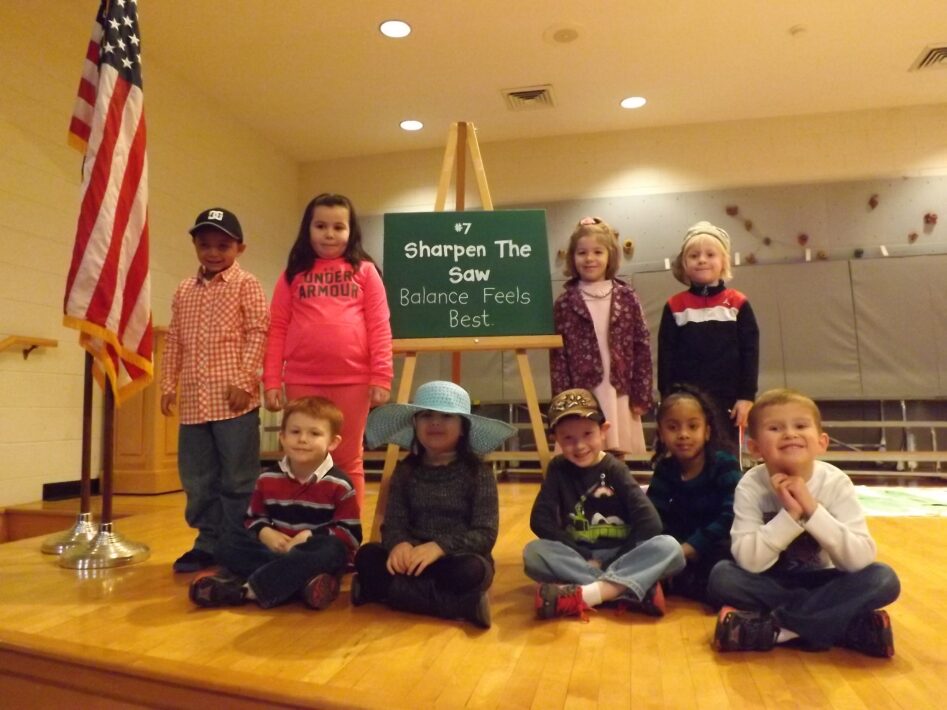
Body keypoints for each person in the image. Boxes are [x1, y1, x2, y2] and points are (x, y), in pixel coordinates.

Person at [707, 389, 900, 657]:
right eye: (775, 428)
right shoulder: (750, 486)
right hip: (772, 581)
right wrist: (791, 516)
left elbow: (859, 560)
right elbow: (749, 562)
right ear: (755, 447)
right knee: (722, 577)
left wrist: (812, 509)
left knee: (883, 578)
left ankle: (778, 629)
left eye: (800, 426)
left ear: (822, 442)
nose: (790, 434)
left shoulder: (836, 483)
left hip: (825, 582)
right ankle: (843, 625)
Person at [351, 381, 516, 629]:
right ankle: (461, 605)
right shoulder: (405, 470)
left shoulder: (478, 473)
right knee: (367, 556)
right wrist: (399, 544)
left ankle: (381, 592)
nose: (435, 423)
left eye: (446, 416)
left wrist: (440, 547)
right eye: (426, 415)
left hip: (453, 560)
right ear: (415, 424)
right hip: (411, 560)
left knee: (473, 571)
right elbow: (394, 522)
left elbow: (485, 534)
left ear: (463, 428)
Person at [263, 193, 393, 509]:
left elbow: (379, 325)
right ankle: (305, 523)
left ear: (351, 231)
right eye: (320, 226)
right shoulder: (292, 275)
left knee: (348, 459)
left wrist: (382, 376)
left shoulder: (366, 272)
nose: (329, 234)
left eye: (338, 227)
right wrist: (271, 380)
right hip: (302, 379)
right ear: (307, 229)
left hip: (354, 381)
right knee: (304, 456)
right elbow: (277, 328)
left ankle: (348, 529)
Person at [160, 207, 269, 573]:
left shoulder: (246, 284)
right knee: (197, 480)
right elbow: (174, 340)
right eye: (205, 244)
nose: (213, 252)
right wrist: (168, 384)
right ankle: (207, 543)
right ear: (194, 245)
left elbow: (259, 332)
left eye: (223, 245)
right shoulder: (183, 290)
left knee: (238, 478)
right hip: (194, 404)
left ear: (240, 248)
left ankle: (238, 543)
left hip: (234, 403)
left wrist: (244, 381)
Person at [524, 388, 685, 621]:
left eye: (587, 434)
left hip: (621, 554)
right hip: (580, 555)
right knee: (534, 554)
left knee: (670, 548)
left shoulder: (615, 469)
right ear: (555, 439)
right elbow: (540, 520)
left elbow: (650, 523)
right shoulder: (557, 468)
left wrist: (610, 561)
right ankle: (626, 590)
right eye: (568, 438)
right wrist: (584, 555)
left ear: (603, 431)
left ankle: (587, 593)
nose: (579, 445)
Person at [189, 396, 361, 610]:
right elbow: (253, 519)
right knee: (227, 544)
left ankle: (246, 590)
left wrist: (309, 537)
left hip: (313, 553)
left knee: (332, 550)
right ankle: (302, 585)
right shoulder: (267, 478)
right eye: (295, 432)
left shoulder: (340, 484)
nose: (302, 439)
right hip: (276, 550)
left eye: (314, 433)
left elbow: (351, 534)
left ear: (333, 442)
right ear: (283, 437)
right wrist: (265, 533)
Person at [550, 217, 652, 455]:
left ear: (610, 256)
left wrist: (642, 393)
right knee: (581, 448)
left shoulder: (627, 297)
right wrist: (561, 399)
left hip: (619, 387)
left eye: (598, 252)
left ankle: (615, 479)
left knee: (617, 448)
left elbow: (641, 346)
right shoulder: (565, 302)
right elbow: (558, 356)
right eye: (582, 253)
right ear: (572, 257)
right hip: (582, 389)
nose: (589, 258)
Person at [657, 221, 759, 444]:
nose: (702, 260)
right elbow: (666, 356)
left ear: (723, 262)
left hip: (728, 399)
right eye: (694, 256)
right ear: (684, 264)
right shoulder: (675, 305)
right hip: (686, 399)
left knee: (725, 454)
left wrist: (746, 396)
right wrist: (667, 396)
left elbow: (750, 353)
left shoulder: (737, 303)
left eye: (710, 254)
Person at [646, 384, 742, 602]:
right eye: (673, 427)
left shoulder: (723, 464)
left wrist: (690, 548)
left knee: (724, 569)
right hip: (678, 549)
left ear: (707, 432)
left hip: (715, 546)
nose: (683, 435)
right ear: (661, 434)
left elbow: (731, 516)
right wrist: (669, 549)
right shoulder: (665, 469)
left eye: (692, 426)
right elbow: (654, 516)